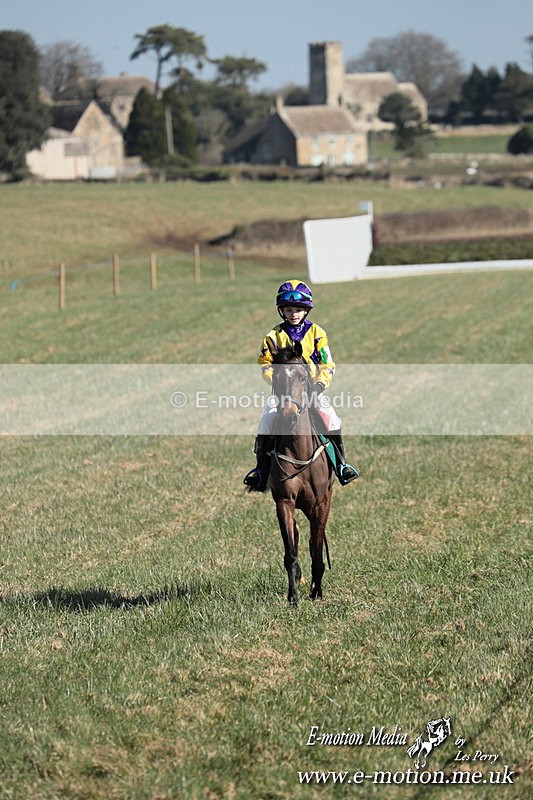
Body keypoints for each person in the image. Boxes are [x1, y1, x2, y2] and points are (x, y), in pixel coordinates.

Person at [243, 279, 359, 492]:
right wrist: (277, 383)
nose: (293, 314)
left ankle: (342, 466)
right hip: (283, 394)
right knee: (266, 422)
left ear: (306, 310)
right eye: (288, 309)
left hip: (312, 390)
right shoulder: (273, 337)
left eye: (298, 309)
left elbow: (327, 363)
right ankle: (260, 471)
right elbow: (265, 365)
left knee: (332, 418)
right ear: (282, 311)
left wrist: (320, 385)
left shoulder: (318, 333)